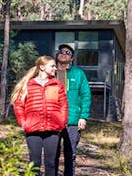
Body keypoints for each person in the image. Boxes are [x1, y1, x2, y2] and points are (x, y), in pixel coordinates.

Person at [11, 55, 68, 176]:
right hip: (33, 129)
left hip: (53, 129)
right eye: (52, 66)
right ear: (42, 67)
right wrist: (23, 122)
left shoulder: (57, 84)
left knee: (51, 163)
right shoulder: (28, 85)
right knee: (34, 163)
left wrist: (61, 122)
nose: (55, 68)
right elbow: (18, 105)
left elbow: (64, 105)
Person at [55, 44, 91, 176]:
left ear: (71, 58)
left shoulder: (78, 73)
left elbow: (85, 95)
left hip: (73, 120)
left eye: (67, 52)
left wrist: (83, 116)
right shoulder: (51, 73)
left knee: (70, 154)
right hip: (54, 121)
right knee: (53, 153)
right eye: (61, 51)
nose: (64, 53)